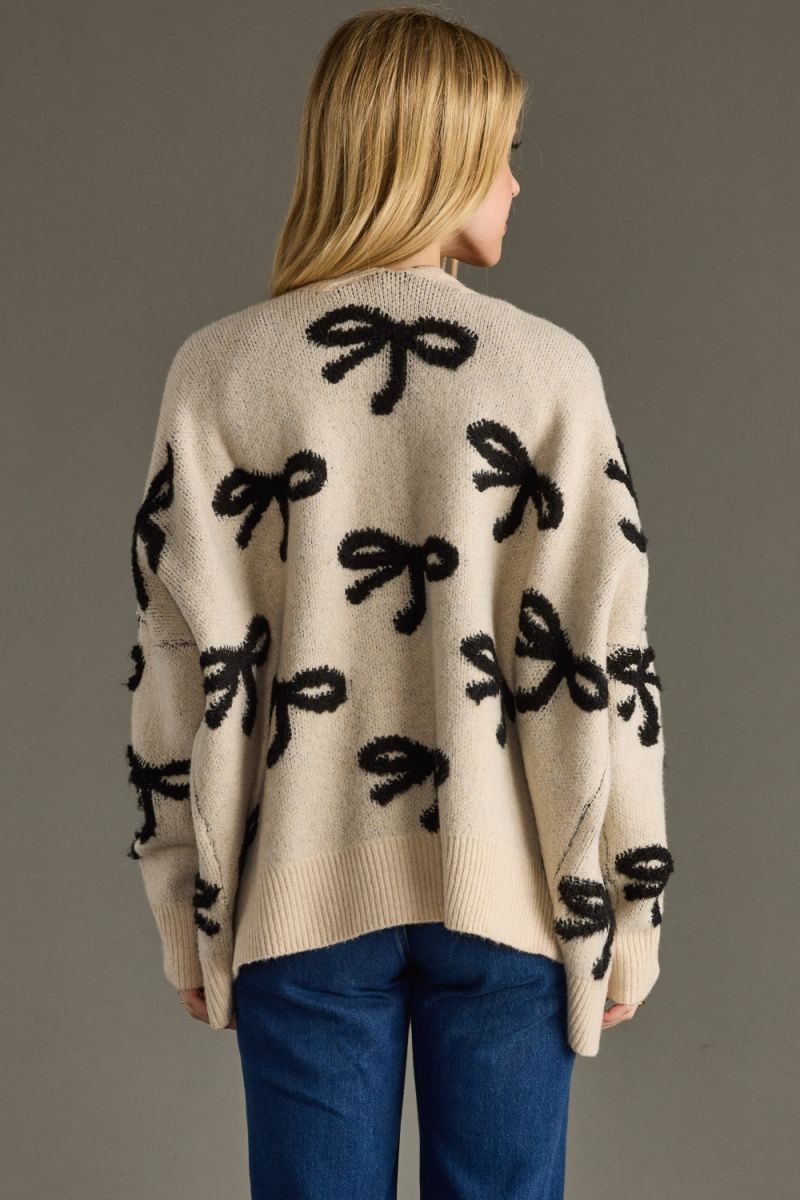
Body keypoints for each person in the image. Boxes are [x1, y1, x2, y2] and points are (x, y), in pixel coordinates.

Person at [125, 6, 674, 1197]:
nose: (517, 184)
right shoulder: (548, 374)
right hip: (510, 899)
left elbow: (179, 659)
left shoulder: (219, 373)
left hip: (297, 897)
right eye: (501, 151)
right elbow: (600, 662)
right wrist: (624, 908)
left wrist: (188, 907)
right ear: (438, 154)